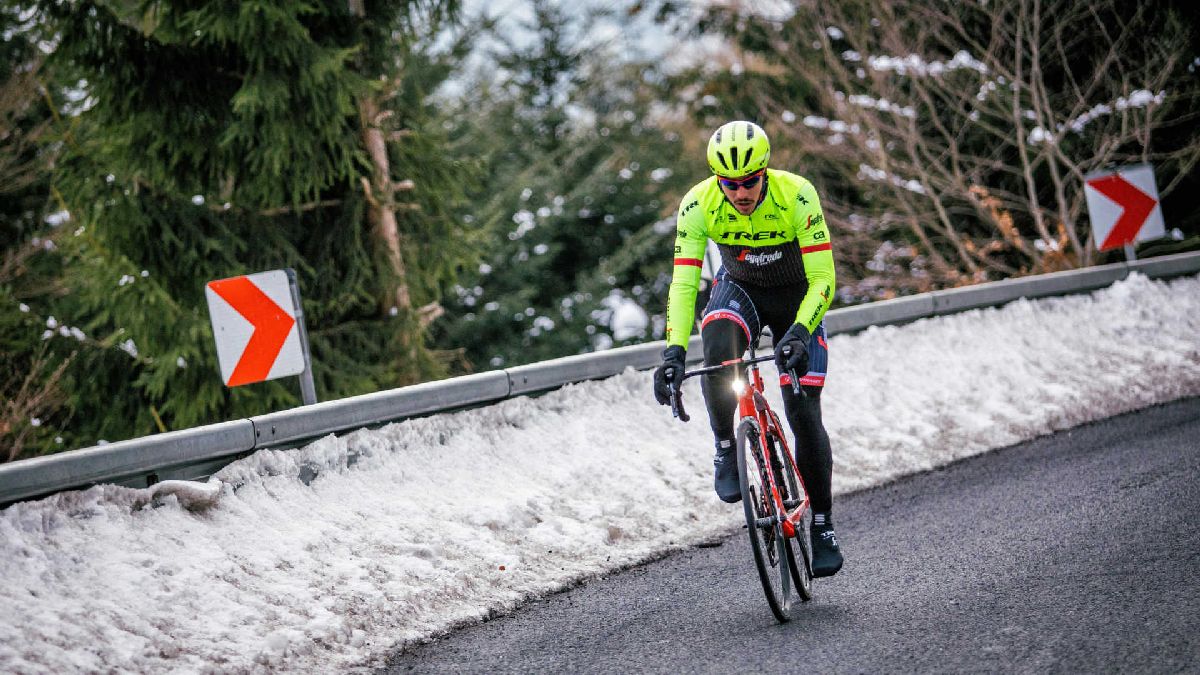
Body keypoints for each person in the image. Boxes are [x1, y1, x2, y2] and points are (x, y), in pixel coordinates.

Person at [652, 120, 843, 577]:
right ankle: (724, 445)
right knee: (717, 339)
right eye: (730, 184)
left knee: (802, 411)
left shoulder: (796, 195)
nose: (740, 192)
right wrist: (673, 353)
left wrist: (799, 330)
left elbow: (824, 278)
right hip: (741, 289)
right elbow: (682, 283)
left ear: (764, 172)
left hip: (797, 297)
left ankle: (821, 525)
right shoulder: (698, 204)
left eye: (749, 182)